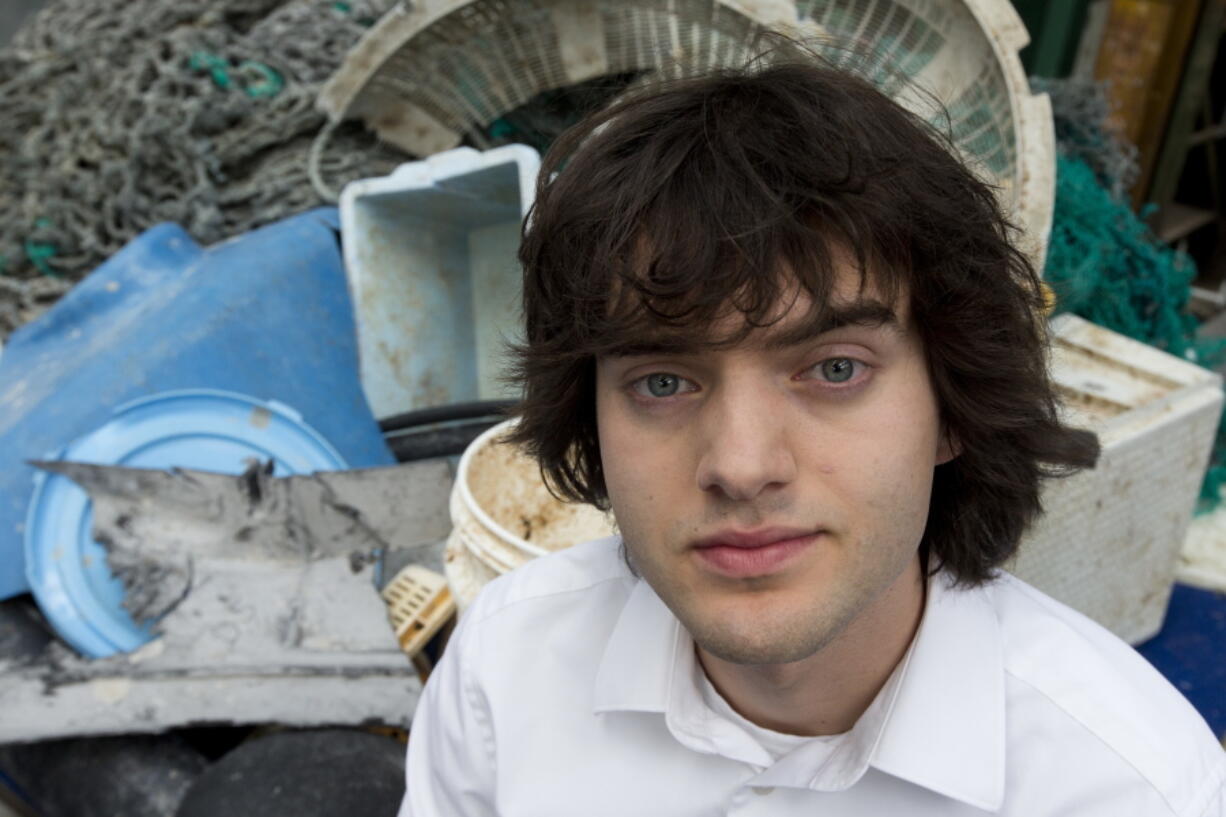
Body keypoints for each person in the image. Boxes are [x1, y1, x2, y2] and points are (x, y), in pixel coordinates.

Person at [400, 46, 1226, 816]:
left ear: (952, 406)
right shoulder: (501, 677)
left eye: (835, 369)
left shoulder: (1134, 787)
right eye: (662, 381)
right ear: (592, 422)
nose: (742, 464)